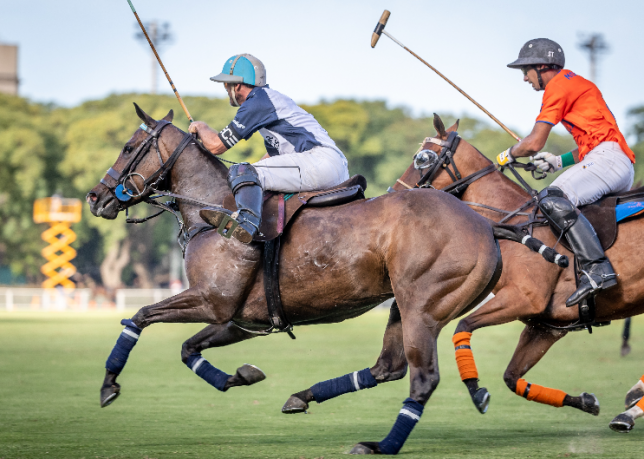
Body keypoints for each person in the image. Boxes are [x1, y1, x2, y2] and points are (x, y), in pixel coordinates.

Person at [496, 38, 635, 307]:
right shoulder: (573, 82)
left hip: (609, 160)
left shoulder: (558, 86)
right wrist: (557, 162)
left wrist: (508, 154)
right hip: (611, 159)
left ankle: (597, 269)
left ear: (542, 66)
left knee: (551, 198)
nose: (525, 78)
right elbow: (591, 144)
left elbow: (534, 142)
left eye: (526, 71)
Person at [189, 54, 350, 243]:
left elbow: (216, 146)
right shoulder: (268, 101)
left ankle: (246, 223)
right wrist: (246, 179)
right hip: (328, 165)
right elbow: (270, 160)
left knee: (242, 170)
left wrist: (201, 127)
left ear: (237, 85)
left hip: (319, 161)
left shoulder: (257, 102)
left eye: (226, 84)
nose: (226, 89)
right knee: (248, 173)